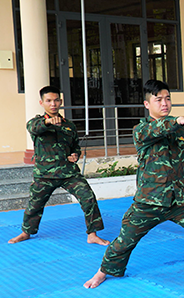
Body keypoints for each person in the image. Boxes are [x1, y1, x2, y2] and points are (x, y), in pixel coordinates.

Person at [83, 80, 184, 294]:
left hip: (178, 201)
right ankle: (103, 271)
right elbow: (157, 129)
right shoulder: (142, 129)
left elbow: (183, 161)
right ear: (147, 104)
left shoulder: (180, 131)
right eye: (158, 100)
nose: (164, 103)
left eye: (167, 98)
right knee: (125, 239)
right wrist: (177, 121)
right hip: (150, 201)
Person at [8, 86, 109, 246]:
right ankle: (26, 232)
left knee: (88, 198)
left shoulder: (69, 126)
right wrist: (48, 121)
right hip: (45, 174)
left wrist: (75, 155)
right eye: (49, 101)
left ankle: (92, 234)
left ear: (60, 101)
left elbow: (75, 146)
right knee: (35, 204)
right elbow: (34, 127)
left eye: (56, 100)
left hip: (68, 173)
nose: (53, 104)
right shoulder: (37, 123)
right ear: (42, 103)